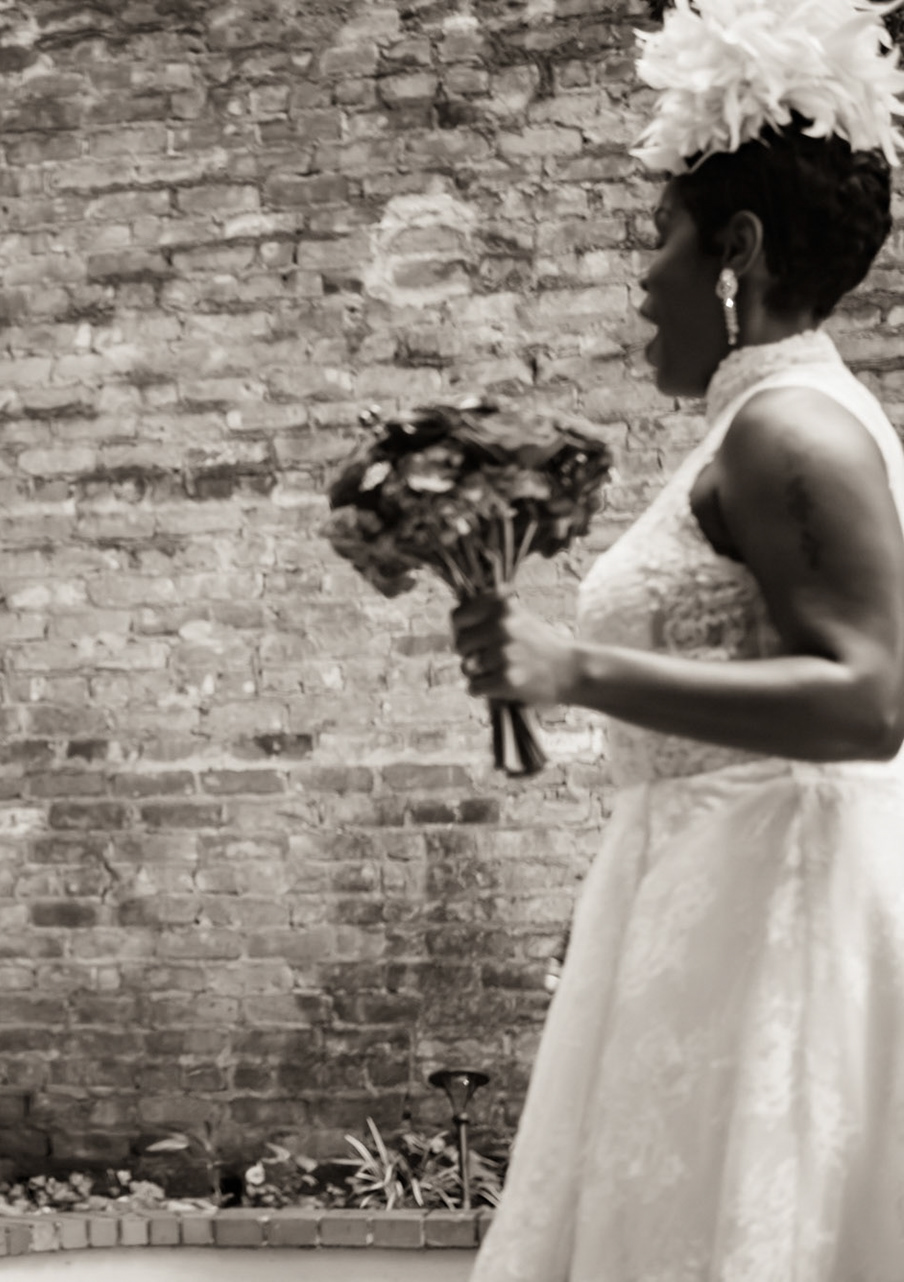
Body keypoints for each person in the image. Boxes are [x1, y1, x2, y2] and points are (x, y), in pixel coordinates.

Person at [456, 0, 904, 1275]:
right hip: (704, 896)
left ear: (738, 247)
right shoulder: (754, 423)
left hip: (778, 918)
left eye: (659, 238)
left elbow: (870, 700)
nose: (641, 277)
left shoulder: (793, 430)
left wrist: (573, 666)